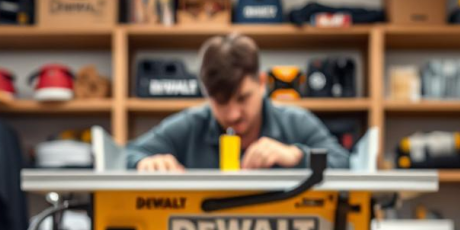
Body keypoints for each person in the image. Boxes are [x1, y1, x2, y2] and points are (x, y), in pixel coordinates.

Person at [126, 33, 351, 171]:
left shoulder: (296, 122)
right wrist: (145, 163)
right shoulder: (190, 125)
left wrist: (296, 156)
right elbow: (128, 155)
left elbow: (343, 162)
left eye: (243, 98)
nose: (233, 114)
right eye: (220, 102)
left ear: (261, 82)